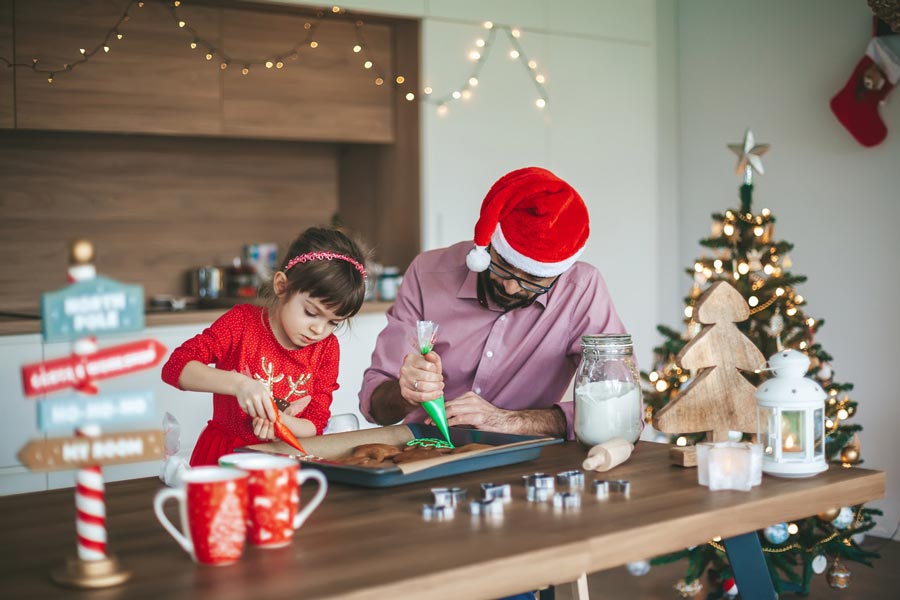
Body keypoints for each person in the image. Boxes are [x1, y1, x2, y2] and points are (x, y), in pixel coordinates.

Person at [360, 167, 626, 440]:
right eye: (504, 266)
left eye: (533, 278)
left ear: (558, 272)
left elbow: (620, 409)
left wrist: (510, 421)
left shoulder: (580, 290)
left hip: (526, 457)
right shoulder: (428, 273)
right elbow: (375, 405)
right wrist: (406, 394)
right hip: (427, 447)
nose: (510, 287)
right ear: (488, 246)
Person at [162, 227, 368, 466]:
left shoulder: (326, 348)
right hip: (224, 458)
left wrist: (280, 422)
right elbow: (175, 367)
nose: (319, 330)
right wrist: (240, 385)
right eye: (311, 312)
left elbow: (315, 422)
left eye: (334, 322)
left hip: (284, 460)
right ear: (282, 286)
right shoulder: (241, 324)